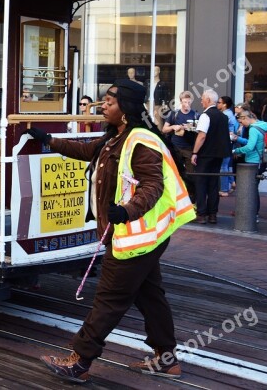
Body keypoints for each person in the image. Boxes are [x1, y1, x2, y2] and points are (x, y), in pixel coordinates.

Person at [27, 79, 193, 383]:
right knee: (149, 295)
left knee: (109, 297)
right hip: (143, 235)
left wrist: (127, 210)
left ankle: (79, 361)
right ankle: (167, 360)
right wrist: (47, 139)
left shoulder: (140, 141)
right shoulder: (115, 138)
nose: (103, 105)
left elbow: (152, 185)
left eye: (110, 101)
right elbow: (86, 150)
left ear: (126, 108)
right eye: (104, 101)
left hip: (136, 235)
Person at [191, 89, 231, 224]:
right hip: (219, 154)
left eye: (202, 99)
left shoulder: (205, 116)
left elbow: (202, 136)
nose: (201, 101)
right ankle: (212, 214)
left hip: (205, 154)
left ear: (208, 100)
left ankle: (201, 214)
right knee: (213, 183)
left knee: (201, 183)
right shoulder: (223, 116)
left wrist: (195, 152)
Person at [231, 110, 267, 216]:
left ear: (245, 118)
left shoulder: (253, 129)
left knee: (251, 189)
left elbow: (249, 147)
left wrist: (235, 151)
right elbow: (254, 143)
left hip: (253, 162)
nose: (242, 125)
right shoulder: (264, 126)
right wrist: (238, 138)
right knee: (254, 187)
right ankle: (254, 213)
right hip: (262, 160)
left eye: (241, 122)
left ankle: (253, 214)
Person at [162, 91, 198, 198]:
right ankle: (175, 196)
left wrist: (190, 128)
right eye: (184, 101)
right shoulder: (174, 114)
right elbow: (164, 129)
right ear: (181, 101)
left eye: (188, 101)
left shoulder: (195, 115)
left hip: (189, 147)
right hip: (175, 147)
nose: (186, 104)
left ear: (191, 102)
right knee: (174, 171)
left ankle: (190, 197)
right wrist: (173, 127)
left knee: (190, 173)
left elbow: (200, 131)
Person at [217, 96, 238, 197]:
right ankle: (232, 182)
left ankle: (224, 189)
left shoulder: (226, 115)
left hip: (225, 142)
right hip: (228, 142)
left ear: (224, 104)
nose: (217, 104)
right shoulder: (229, 114)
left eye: (219, 102)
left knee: (223, 166)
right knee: (226, 165)